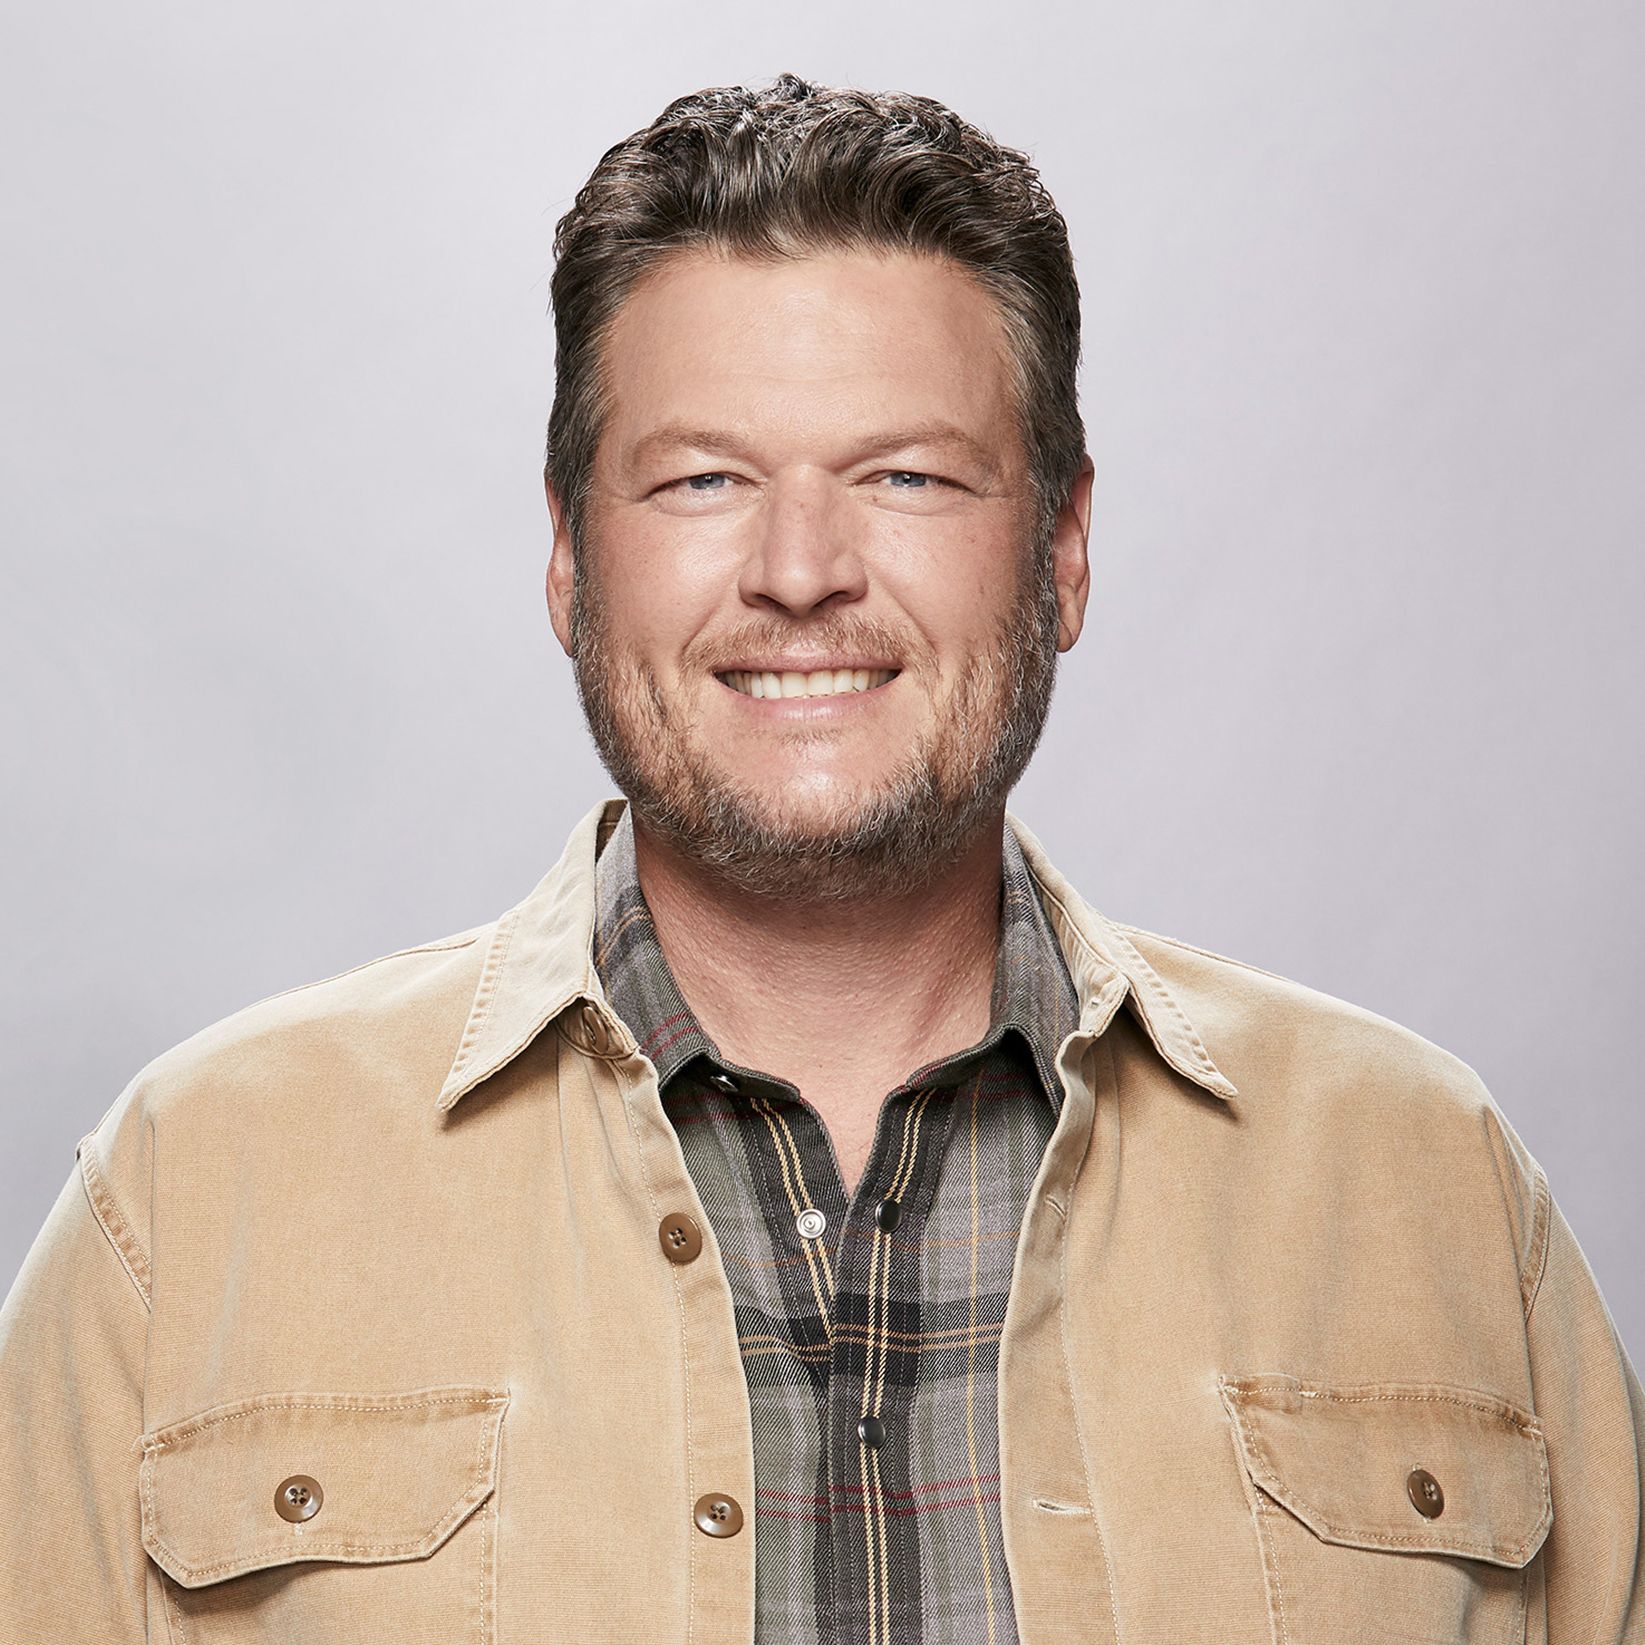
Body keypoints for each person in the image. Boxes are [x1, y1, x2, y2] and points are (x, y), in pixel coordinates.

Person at [2, 71, 1640, 1645]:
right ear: (569, 554)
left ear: (1063, 546)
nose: (798, 570)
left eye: (906, 475)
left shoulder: (1427, 1184)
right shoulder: (191, 1202)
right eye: (701, 478)